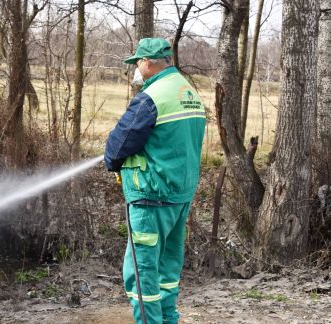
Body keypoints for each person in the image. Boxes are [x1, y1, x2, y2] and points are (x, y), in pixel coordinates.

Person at [104, 38, 206, 324]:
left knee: (142, 274)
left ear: (148, 63)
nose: (136, 68)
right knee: (167, 271)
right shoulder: (189, 92)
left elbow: (118, 145)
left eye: (137, 62)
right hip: (180, 197)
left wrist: (112, 161)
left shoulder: (151, 98)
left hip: (150, 198)